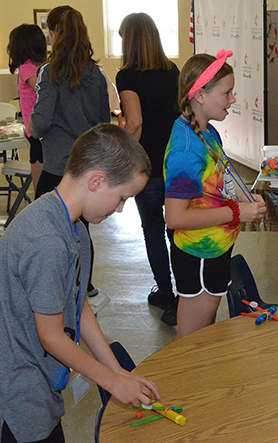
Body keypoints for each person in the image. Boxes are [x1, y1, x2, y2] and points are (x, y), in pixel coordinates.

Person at [0, 123, 160, 443]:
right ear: (97, 181)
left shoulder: (75, 230)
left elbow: (79, 305)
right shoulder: (46, 240)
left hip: (43, 387)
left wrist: (118, 372)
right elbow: (51, 337)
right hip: (20, 396)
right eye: (121, 198)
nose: (119, 209)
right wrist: (111, 383)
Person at [163, 50, 267, 339]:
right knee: (193, 342)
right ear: (200, 95)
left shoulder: (206, 131)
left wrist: (245, 198)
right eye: (227, 93)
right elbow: (174, 217)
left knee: (204, 333)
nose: (232, 100)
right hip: (199, 254)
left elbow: (222, 175)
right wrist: (237, 212)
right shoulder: (186, 150)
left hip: (215, 249)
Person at [31, 7, 110, 297]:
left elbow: (40, 123)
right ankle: (83, 285)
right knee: (81, 229)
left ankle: (50, 288)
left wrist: (31, 124)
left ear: (53, 34)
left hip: (57, 166)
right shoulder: (96, 74)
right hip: (87, 163)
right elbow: (104, 121)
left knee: (45, 227)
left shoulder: (49, 72)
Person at [116, 13, 180, 326]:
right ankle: (187, 294)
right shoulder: (173, 71)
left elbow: (136, 122)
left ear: (128, 41)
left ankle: (165, 293)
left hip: (150, 167)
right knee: (178, 228)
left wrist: (124, 153)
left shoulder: (127, 76)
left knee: (153, 229)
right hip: (177, 163)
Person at [7, 24, 47, 192]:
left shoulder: (36, 66)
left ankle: (41, 193)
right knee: (37, 160)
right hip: (34, 127)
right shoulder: (26, 68)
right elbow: (40, 87)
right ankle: (39, 194)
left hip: (38, 125)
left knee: (40, 160)